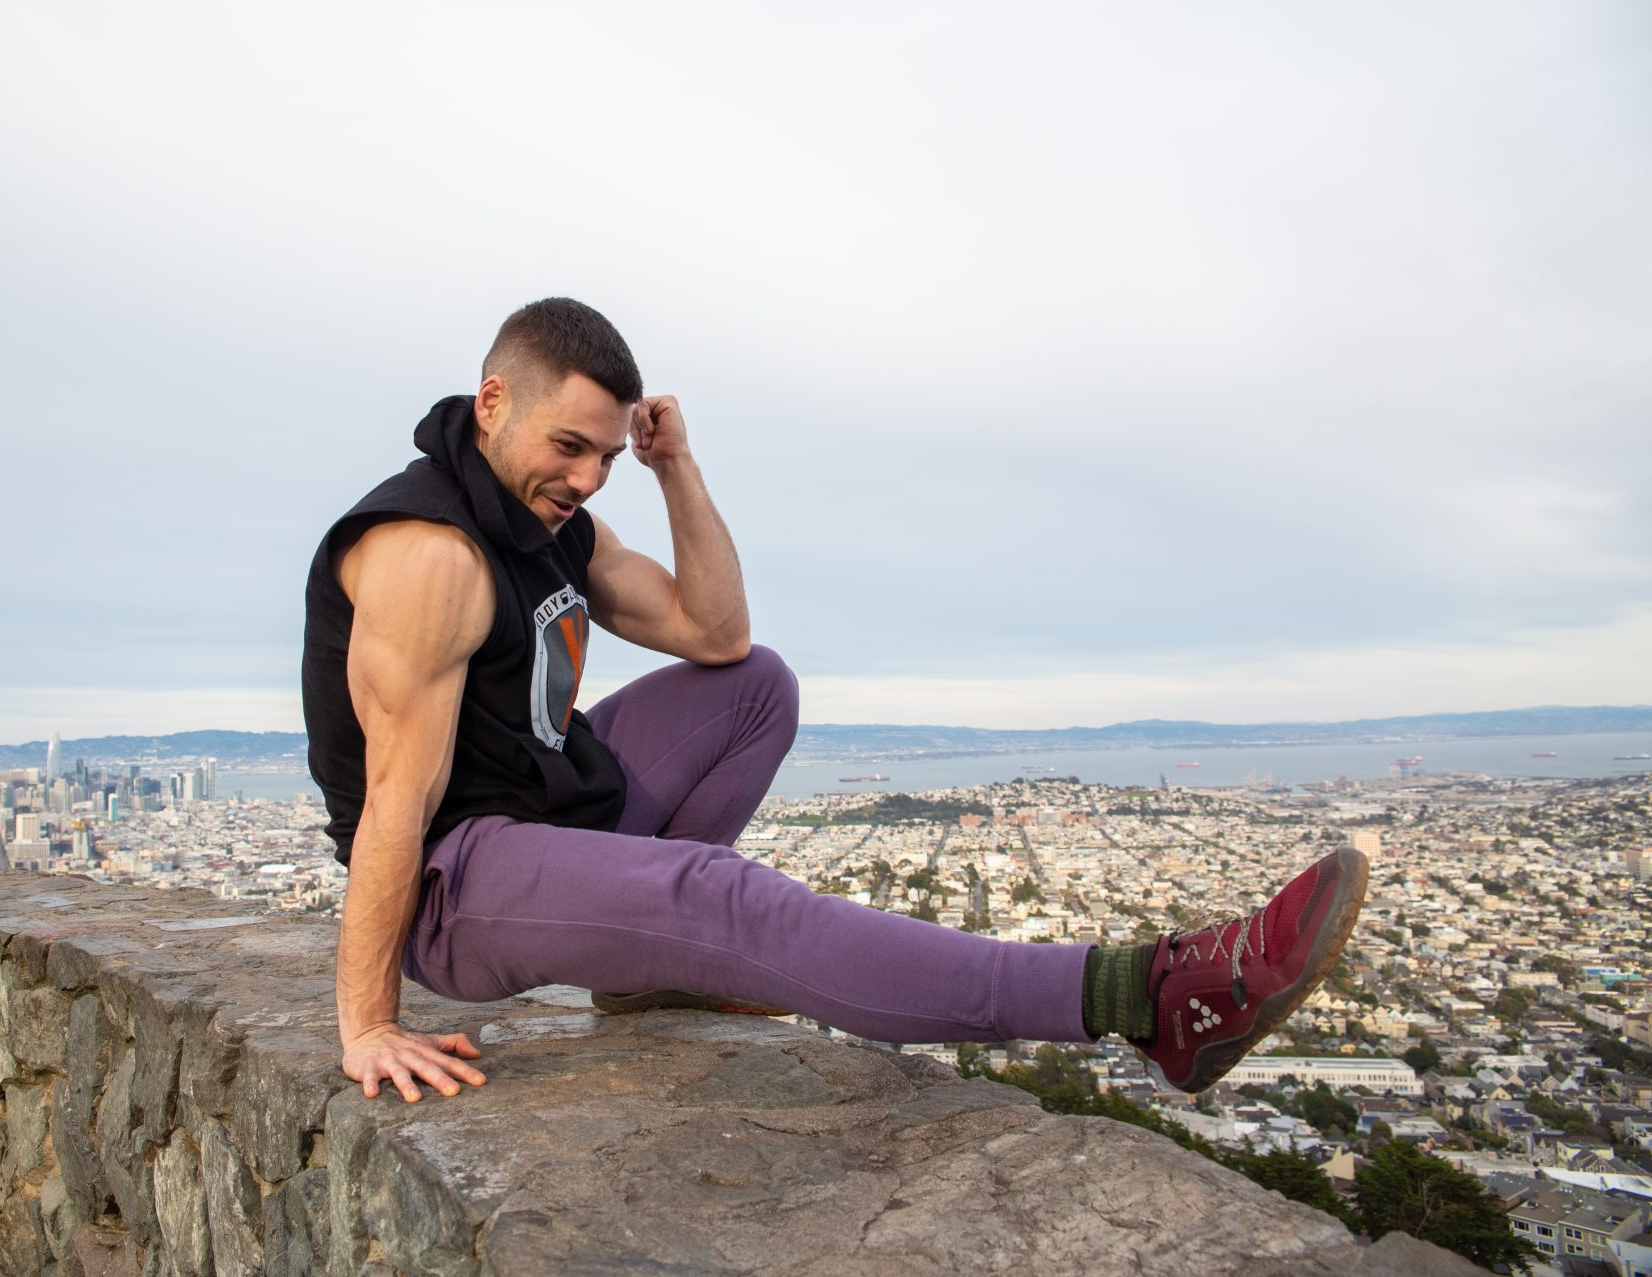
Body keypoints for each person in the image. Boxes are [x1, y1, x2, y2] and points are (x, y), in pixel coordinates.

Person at [301, 297, 1367, 1104]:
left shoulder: (553, 522)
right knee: (723, 896)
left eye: (606, 456)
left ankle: (645, 970)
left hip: (544, 803)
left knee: (757, 686)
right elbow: (395, 802)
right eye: (567, 446)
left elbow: (717, 635)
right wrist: (368, 1025)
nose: (585, 479)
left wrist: (675, 469)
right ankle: (1143, 998)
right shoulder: (429, 557)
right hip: (455, 876)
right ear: (492, 403)